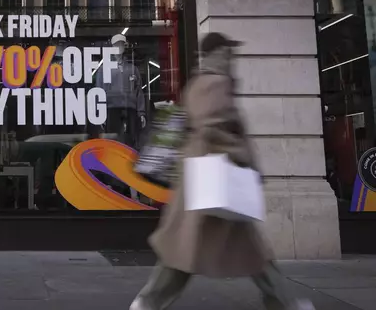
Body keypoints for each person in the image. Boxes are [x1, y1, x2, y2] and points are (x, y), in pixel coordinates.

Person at [130, 33, 315, 310]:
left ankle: (148, 301)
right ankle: (148, 301)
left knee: (208, 250)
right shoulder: (214, 83)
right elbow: (212, 126)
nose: (232, 58)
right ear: (218, 53)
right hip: (215, 175)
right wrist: (241, 155)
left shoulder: (204, 81)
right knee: (196, 250)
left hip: (211, 176)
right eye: (228, 52)